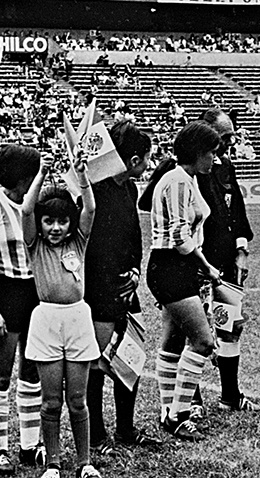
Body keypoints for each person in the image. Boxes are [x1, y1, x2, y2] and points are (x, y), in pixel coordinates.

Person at [21, 147, 101, 478]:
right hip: (46, 322)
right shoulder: (35, 245)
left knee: (77, 400)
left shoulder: (78, 243)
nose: (55, 227)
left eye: (62, 221)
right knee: (51, 401)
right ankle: (52, 463)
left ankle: (84, 462)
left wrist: (81, 176)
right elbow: (26, 208)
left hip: (77, 320)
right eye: (49, 220)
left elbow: (91, 207)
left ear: (71, 223)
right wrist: (42, 172)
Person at [139, 121, 222, 442]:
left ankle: (167, 411)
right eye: (212, 153)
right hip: (172, 266)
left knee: (173, 341)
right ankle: (180, 413)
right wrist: (207, 266)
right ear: (198, 153)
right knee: (203, 342)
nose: (215, 159)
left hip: (177, 266)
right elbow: (178, 235)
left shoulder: (185, 179)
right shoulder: (177, 181)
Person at [84, 121, 162, 457]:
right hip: (98, 290)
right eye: (146, 158)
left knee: (130, 358)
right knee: (97, 364)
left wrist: (134, 270)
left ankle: (126, 428)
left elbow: (133, 237)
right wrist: (105, 281)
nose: (148, 165)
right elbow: (87, 244)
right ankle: (97, 434)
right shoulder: (93, 192)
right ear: (132, 160)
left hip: (126, 287)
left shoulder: (129, 191)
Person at [0, 144, 44, 477]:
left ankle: (30, 446)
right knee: (1, 373)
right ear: (24, 176)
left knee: (32, 372)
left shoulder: (37, 204)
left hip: (37, 292)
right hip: (5, 291)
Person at [194, 109, 260, 413]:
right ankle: (191, 400)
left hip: (226, 265)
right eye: (225, 137)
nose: (230, 143)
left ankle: (230, 396)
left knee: (229, 326)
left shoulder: (227, 167)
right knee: (196, 331)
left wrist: (241, 250)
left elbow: (237, 211)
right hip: (197, 264)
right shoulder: (188, 170)